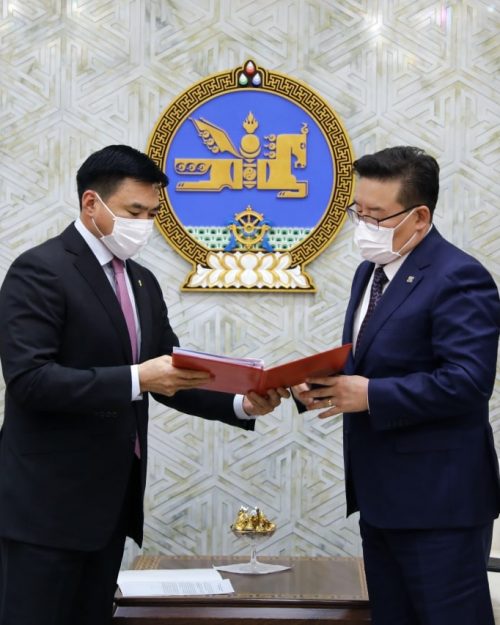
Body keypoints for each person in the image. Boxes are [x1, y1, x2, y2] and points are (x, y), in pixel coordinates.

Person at [0, 144, 288, 625]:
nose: (144, 225)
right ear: (91, 203)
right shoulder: (40, 270)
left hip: (111, 506)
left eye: (152, 214)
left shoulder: (142, 282)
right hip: (45, 509)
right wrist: (138, 377)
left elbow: (173, 371)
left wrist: (242, 402)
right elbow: (31, 381)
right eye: (134, 212)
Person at [294, 146, 500, 625]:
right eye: (358, 212)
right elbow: (370, 362)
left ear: (419, 216)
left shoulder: (459, 276)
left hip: (439, 505)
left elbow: (468, 382)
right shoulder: (370, 272)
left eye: (378, 216)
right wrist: (321, 386)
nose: (364, 225)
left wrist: (369, 394)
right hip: (380, 498)